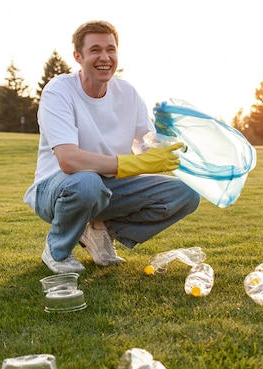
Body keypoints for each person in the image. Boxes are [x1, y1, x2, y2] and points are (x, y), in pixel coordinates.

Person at [24, 20, 200, 273]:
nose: (104, 57)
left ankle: (100, 231)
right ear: (78, 56)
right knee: (87, 183)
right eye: (95, 50)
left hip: (106, 189)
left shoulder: (127, 93)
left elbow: (146, 147)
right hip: (56, 188)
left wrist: (166, 134)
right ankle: (57, 251)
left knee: (185, 194)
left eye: (111, 49)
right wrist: (130, 164)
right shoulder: (59, 92)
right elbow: (68, 161)